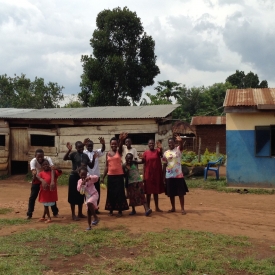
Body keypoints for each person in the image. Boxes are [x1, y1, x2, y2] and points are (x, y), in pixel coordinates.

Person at [63, 141, 96, 221]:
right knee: (73, 196)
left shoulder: (85, 156)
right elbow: (64, 158)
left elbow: (91, 166)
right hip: (74, 177)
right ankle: (73, 214)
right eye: (79, 147)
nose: (81, 149)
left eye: (82, 147)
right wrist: (69, 151)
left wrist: (94, 158)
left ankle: (80, 213)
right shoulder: (74, 154)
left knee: (81, 194)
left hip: (82, 179)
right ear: (76, 148)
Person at [26, 149, 60, 219]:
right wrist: (42, 180)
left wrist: (52, 181)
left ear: (44, 156)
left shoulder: (48, 159)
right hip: (38, 178)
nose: (40, 158)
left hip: (47, 178)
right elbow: (34, 172)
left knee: (51, 194)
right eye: (38, 157)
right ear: (35, 156)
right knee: (33, 196)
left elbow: (53, 169)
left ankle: (55, 212)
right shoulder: (33, 161)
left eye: (41, 156)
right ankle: (29, 214)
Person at [101, 136, 129, 217]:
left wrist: (121, 140)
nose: (114, 145)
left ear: (117, 144)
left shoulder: (119, 152)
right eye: (112, 144)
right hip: (111, 176)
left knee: (120, 193)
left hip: (119, 176)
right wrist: (103, 177)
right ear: (110, 144)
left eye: (115, 144)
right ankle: (111, 210)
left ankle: (120, 210)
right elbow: (107, 166)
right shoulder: (107, 154)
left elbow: (120, 146)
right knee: (111, 193)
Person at [162, 135, 189, 215]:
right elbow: (164, 165)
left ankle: (182, 209)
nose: (170, 144)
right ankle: (173, 208)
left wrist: (180, 141)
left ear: (174, 143)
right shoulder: (166, 153)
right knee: (171, 193)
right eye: (169, 143)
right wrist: (163, 177)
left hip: (178, 175)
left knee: (181, 193)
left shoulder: (178, 150)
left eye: (172, 143)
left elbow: (181, 146)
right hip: (169, 176)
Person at [139, 139, 165, 212]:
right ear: (148, 144)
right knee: (148, 192)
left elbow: (162, 154)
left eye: (152, 143)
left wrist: (161, 148)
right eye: (150, 143)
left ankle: (157, 207)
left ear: (154, 144)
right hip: (148, 175)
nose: (151, 144)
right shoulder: (146, 153)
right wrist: (143, 175)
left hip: (156, 175)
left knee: (156, 192)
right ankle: (148, 208)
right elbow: (143, 163)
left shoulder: (157, 151)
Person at [83, 137, 105, 214]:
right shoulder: (84, 153)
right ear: (86, 146)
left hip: (96, 176)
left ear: (93, 146)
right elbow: (79, 150)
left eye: (91, 146)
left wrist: (103, 144)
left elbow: (102, 150)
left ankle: (96, 208)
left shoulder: (96, 152)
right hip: (88, 177)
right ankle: (89, 208)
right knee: (88, 193)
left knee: (96, 192)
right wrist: (83, 143)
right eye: (88, 146)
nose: (90, 147)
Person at [77, 166, 100, 230]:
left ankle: (96, 218)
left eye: (84, 175)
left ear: (87, 173)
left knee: (89, 203)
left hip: (94, 195)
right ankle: (89, 226)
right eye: (82, 175)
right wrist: (82, 184)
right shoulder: (79, 181)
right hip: (87, 197)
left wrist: (89, 178)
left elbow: (97, 178)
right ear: (79, 174)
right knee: (88, 212)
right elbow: (79, 190)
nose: (83, 177)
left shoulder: (90, 179)